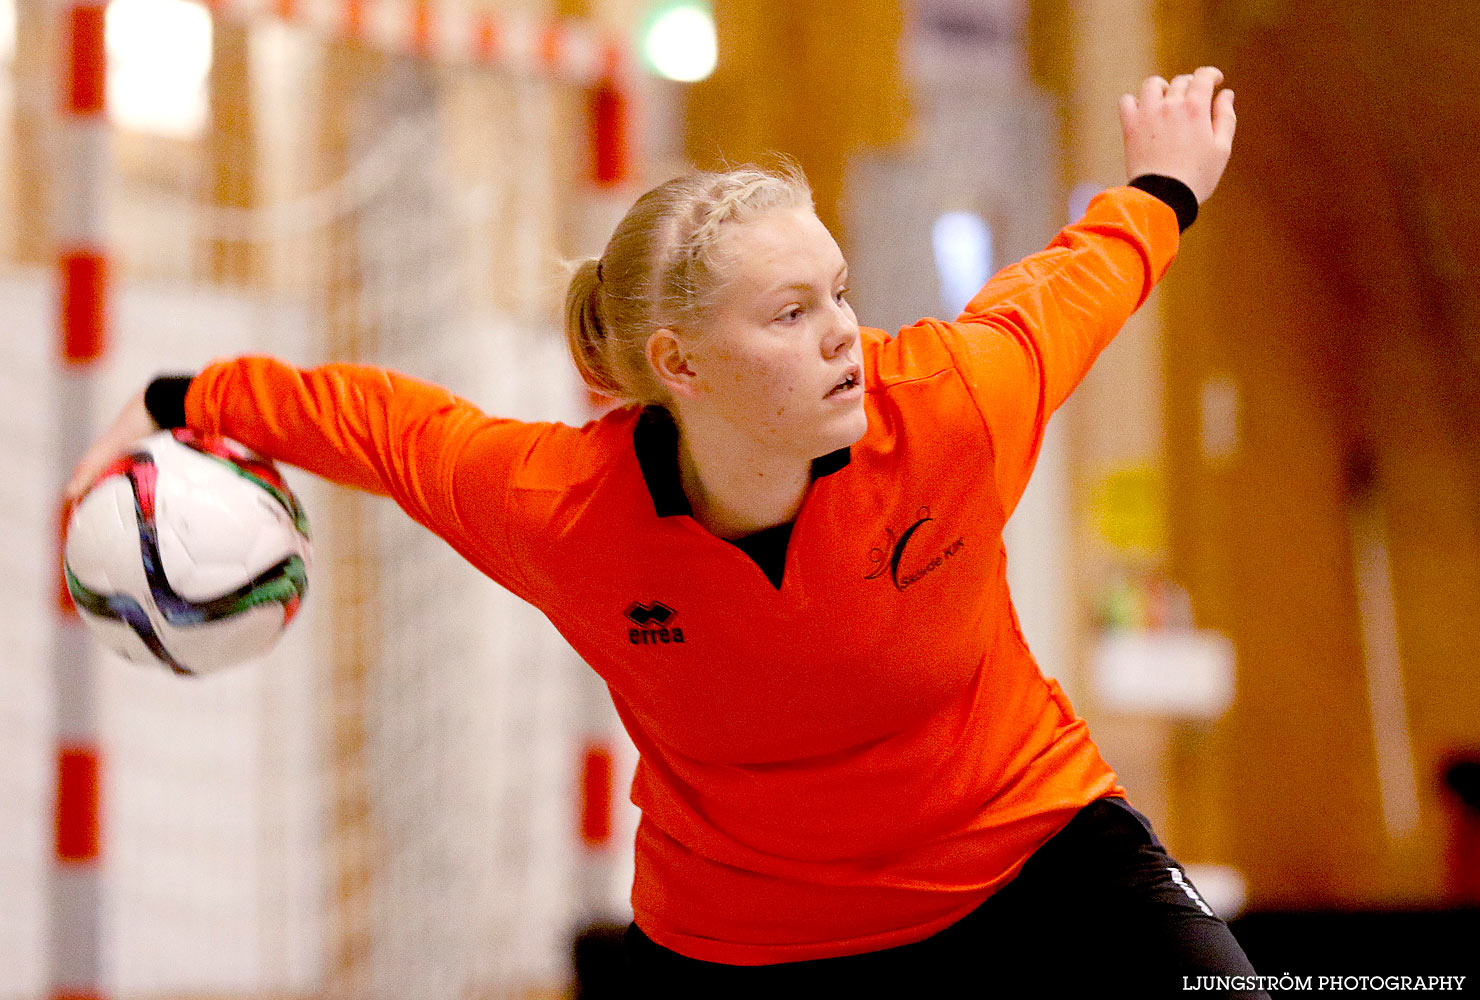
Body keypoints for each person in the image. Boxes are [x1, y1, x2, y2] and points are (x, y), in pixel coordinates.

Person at [67, 68, 1259, 996]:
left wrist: (1161, 183)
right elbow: (388, 427)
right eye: (790, 313)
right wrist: (183, 399)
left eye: (838, 291)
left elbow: (1079, 282)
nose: (844, 332)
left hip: (1025, 855)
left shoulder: (948, 407)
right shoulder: (565, 508)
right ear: (678, 365)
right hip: (747, 941)